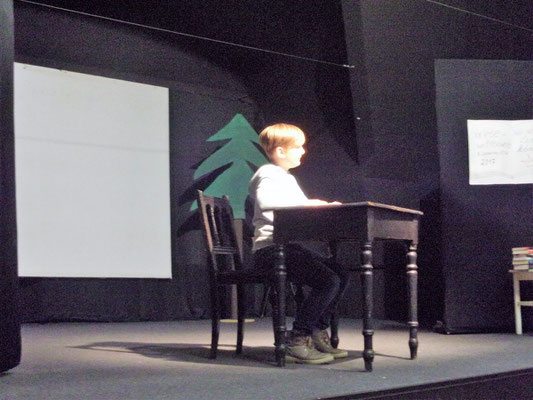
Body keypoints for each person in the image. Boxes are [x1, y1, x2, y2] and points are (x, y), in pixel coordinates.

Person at [248, 123, 349, 364]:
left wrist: (320, 207)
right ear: (280, 151)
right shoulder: (268, 173)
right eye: (298, 147)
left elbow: (302, 211)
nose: (303, 151)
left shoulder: (286, 178)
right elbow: (266, 203)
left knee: (339, 272)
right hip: (270, 251)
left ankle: (315, 329)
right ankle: (297, 338)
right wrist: (311, 205)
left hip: (286, 248)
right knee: (328, 280)